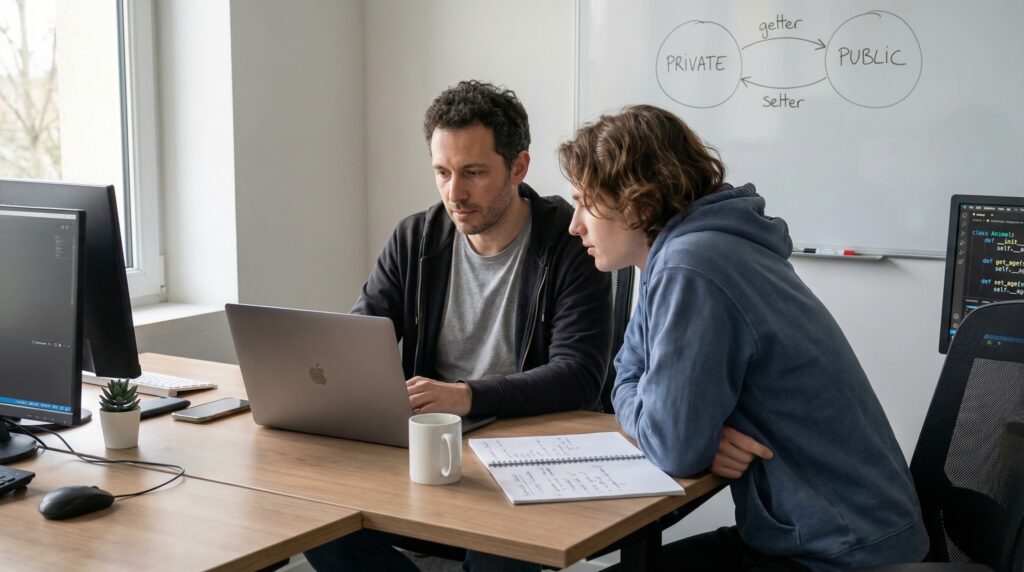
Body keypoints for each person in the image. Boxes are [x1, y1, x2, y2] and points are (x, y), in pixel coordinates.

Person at [559, 104, 929, 571]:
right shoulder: (687, 253)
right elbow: (626, 377)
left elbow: (672, 446)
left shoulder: (692, 265)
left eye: (584, 202)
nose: (574, 225)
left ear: (639, 203)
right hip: (831, 533)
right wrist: (689, 433)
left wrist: (686, 434)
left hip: (840, 553)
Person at [304, 80, 612, 572]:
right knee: (316, 522)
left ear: (518, 167)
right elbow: (359, 341)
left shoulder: (569, 242)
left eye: (473, 173)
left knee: (500, 556)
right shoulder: (416, 238)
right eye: (442, 172)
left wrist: (466, 395)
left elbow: (580, 376)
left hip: (528, 449)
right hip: (431, 440)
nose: (455, 193)